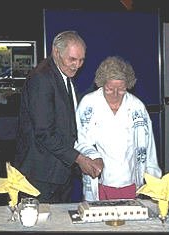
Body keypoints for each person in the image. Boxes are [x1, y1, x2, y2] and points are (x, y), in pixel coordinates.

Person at [14, 30, 103, 203]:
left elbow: (69, 122)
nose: (76, 65)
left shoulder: (62, 75)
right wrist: (79, 159)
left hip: (59, 172)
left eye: (81, 60)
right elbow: (44, 133)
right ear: (56, 51)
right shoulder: (41, 78)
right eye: (72, 59)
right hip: (41, 175)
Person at [75, 56, 162, 201]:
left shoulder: (137, 107)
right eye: (109, 89)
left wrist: (153, 179)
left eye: (121, 90)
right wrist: (94, 157)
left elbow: (149, 147)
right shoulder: (89, 104)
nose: (115, 95)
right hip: (101, 182)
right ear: (102, 84)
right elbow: (81, 140)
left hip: (130, 182)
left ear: (128, 86)